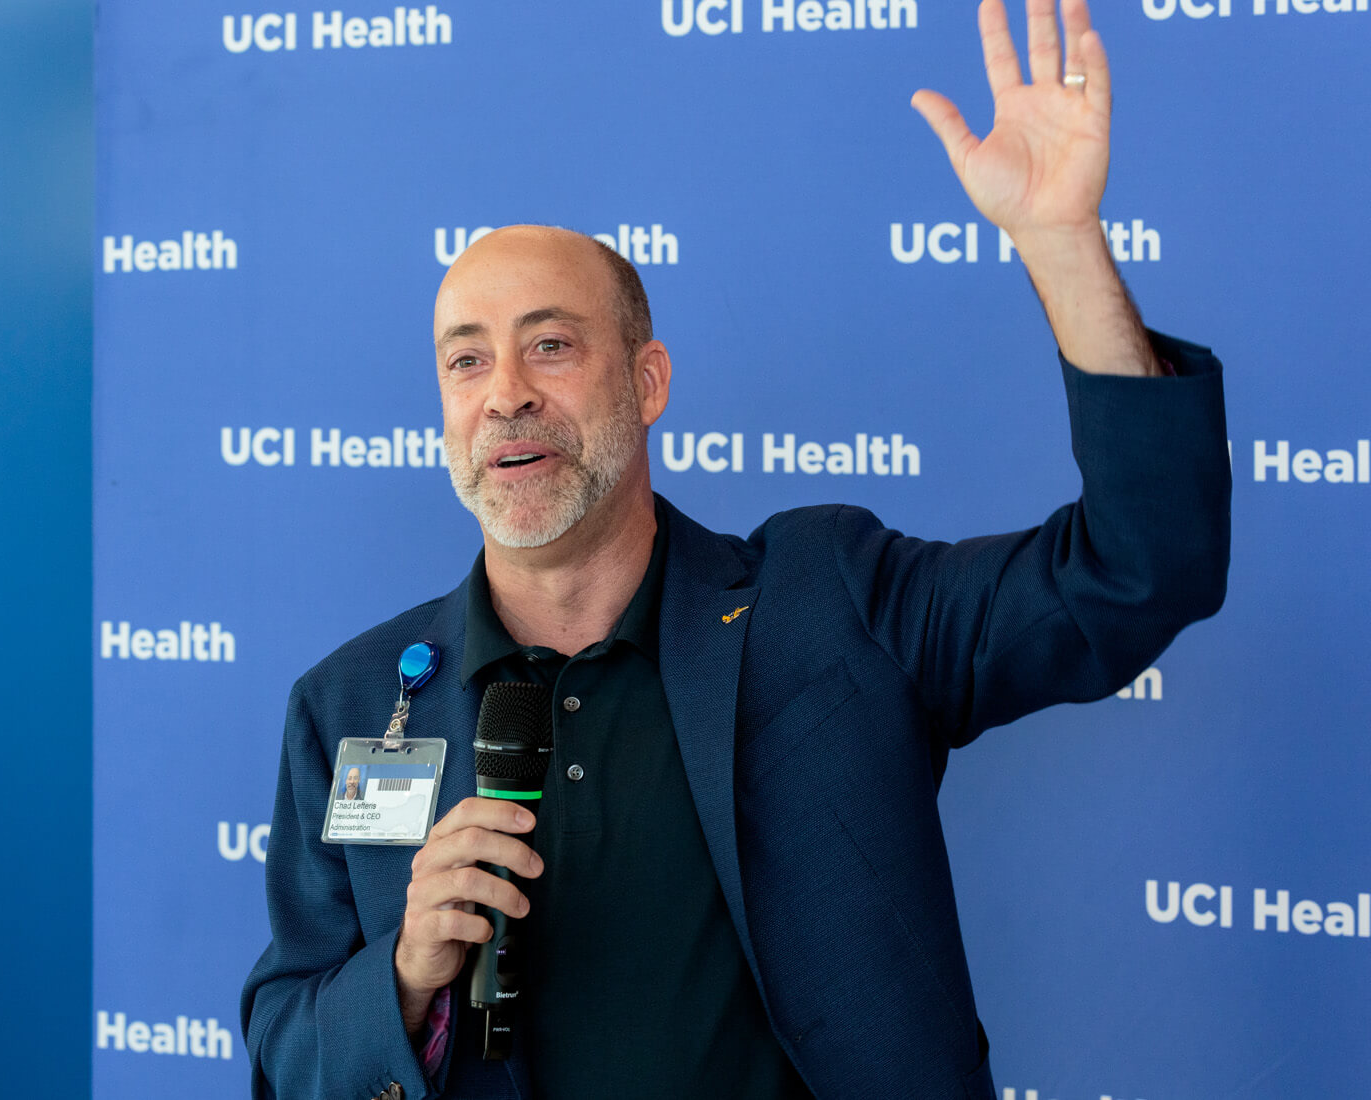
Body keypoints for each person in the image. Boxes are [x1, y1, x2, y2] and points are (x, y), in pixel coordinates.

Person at [240, 1, 1231, 1097]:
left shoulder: (829, 599)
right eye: (465, 363)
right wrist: (407, 977)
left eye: (551, 345)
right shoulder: (349, 703)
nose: (505, 394)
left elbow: (1138, 568)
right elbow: (288, 1041)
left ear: (647, 381)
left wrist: (1060, 244)